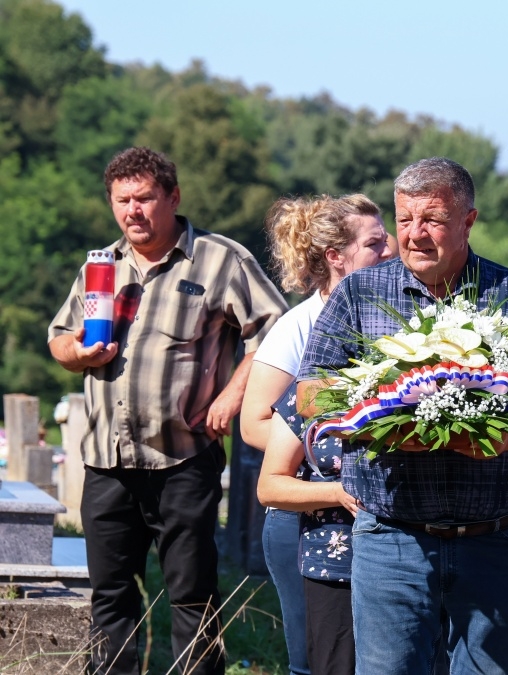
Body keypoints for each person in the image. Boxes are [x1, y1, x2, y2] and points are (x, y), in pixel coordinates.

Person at [294, 157, 508, 674]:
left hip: (496, 541)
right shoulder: (359, 294)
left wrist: (488, 430)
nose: (415, 234)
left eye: (433, 220)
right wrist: (385, 405)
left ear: (469, 221)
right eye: (404, 220)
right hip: (392, 541)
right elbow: (309, 394)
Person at [47, 146, 287, 675]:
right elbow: (59, 337)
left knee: (191, 596)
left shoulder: (220, 259)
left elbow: (275, 332)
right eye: (122, 200)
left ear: (173, 198)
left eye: (145, 198)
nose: (133, 210)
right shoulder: (101, 266)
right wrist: (78, 353)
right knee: (110, 597)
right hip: (106, 461)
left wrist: (232, 396)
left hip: (182, 459)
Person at [243, 193, 392, 675]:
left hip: (370, 517)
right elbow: (255, 424)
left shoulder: (388, 316)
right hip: (305, 516)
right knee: (315, 662)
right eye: (375, 243)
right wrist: (342, 459)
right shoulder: (298, 327)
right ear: (336, 257)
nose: (389, 250)